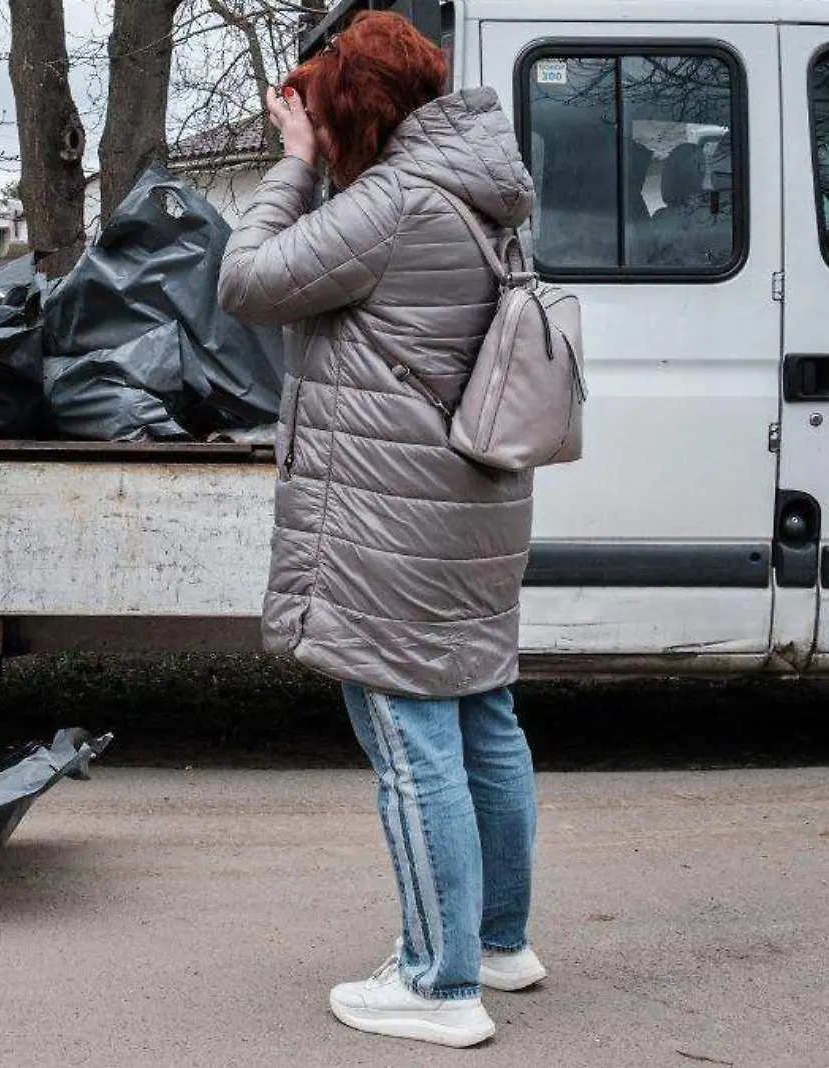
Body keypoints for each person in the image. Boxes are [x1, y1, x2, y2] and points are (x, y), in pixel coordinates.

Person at [218, 11, 544, 1049]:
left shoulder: (398, 203)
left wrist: (295, 164)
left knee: (412, 748)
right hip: (467, 509)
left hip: (390, 523)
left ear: (352, 111)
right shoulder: (484, 196)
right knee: (484, 726)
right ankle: (497, 942)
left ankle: (439, 986)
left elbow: (247, 284)